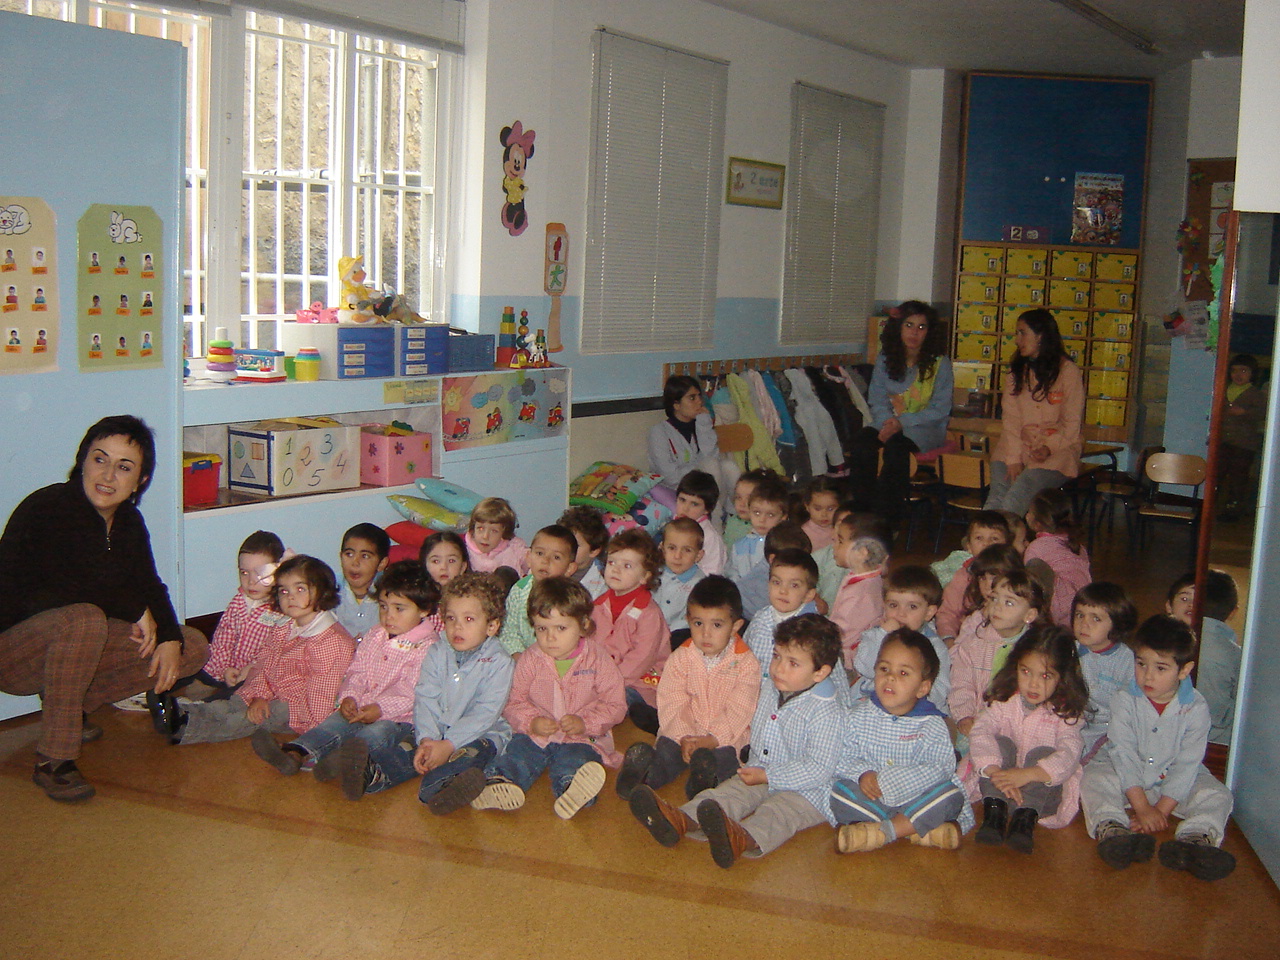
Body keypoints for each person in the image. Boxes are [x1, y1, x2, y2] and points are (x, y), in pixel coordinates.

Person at [0, 415, 209, 801]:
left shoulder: (129, 521)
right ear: (82, 460)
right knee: (84, 619)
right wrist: (133, 609)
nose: (108, 475)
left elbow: (150, 583)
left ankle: (70, 706)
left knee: (191, 646)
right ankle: (54, 760)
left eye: (124, 467)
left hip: (70, 643)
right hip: (13, 650)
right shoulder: (50, 507)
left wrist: (168, 637)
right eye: (100, 459)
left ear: (139, 481)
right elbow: (68, 587)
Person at [628, 614, 846, 868]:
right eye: (777, 656)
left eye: (793, 663)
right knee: (727, 793)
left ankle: (741, 838)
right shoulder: (773, 687)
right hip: (762, 768)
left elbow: (819, 769)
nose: (778, 668)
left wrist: (768, 776)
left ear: (820, 672)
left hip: (809, 791)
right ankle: (681, 820)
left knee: (778, 813)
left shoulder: (828, 712)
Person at [249, 561, 437, 797]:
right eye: (383, 606)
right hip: (361, 707)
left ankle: (339, 761)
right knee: (333, 724)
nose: (388, 616)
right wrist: (350, 697)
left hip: (402, 719)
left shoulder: (428, 647)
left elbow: (411, 692)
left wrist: (378, 710)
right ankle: (295, 752)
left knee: (374, 735)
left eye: (399, 609)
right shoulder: (375, 634)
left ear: (423, 609)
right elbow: (356, 671)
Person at [1081, 615, 1236, 880]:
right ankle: (1114, 830)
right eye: (1141, 664)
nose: (1147, 676)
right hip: (1126, 774)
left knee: (1218, 795)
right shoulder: (1124, 699)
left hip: (1174, 780)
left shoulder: (1196, 708)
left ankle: (1194, 841)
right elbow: (1123, 752)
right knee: (1093, 780)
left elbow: (1188, 763)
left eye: (1161, 668)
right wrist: (1141, 807)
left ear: (1184, 671)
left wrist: (1161, 810)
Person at [344, 571, 515, 810]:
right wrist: (428, 739)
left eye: (468, 620)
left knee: (471, 755)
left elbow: (486, 712)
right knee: (409, 749)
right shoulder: (437, 651)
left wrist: (449, 744)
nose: (457, 627)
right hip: (435, 729)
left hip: (480, 733)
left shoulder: (500, 662)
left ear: (492, 626)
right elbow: (425, 697)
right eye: (451, 618)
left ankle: (439, 788)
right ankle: (373, 774)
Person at [148, 555, 354, 747]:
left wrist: (311, 733)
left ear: (323, 592)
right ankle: (182, 712)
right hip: (272, 691)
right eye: (284, 591)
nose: (290, 597)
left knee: (247, 718)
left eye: (300, 589)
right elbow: (264, 664)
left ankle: (187, 729)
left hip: (299, 708)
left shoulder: (331, 641)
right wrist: (259, 695)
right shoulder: (285, 625)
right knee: (232, 703)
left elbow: (320, 694)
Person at [473, 577, 626, 819]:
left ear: (584, 625)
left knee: (576, 759)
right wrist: (531, 721)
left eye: (560, 628)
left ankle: (571, 788)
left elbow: (616, 704)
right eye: (542, 629)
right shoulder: (530, 659)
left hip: (581, 736)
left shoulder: (597, 659)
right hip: (536, 734)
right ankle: (499, 782)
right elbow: (513, 701)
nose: (550, 638)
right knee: (518, 753)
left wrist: (586, 723)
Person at [616, 576, 759, 801]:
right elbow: (672, 699)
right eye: (698, 623)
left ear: (736, 626)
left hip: (725, 737)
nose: (706, 633)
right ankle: (642, 775)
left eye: (717, 625)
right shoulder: (681, 657)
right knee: (666, 752)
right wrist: (683, 735)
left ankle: (702, 782)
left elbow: (740, 708)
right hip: (684, 732)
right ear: (688, 620)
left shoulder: (746, 663)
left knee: (725, 761)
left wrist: (713, 739)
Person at [831, 629, 973, 853]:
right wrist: (863, 773)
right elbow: (842, 754)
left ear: (923, 687)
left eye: (904, 673)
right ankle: (916, 829)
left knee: (949, 796)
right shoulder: (857, 715)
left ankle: (884, 831)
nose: (890, 678)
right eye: (884, 669)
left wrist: (899, 781)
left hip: (918, 796)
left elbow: (940, 767)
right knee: (840, 792)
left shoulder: (932, 723)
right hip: (873, 798)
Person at [971, 624, 1088, 853]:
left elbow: (1070, 753)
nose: (1033, 684)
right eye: (1026, 672)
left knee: (1042, 753)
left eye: (1045, 676)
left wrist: (1028, 774)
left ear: (1062, 676)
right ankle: (994, 814)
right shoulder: (1006, 701)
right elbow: (980, 730)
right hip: (1000, 784)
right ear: (1015, 667)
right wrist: (996, 772)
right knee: (1000, 744)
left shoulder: (1065, 713)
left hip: (1041, 795)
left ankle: (1023, 822)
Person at [849, 301, 954, 523]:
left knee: (896, 448)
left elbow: (940, 410)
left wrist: (901, 423)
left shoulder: (940, 364)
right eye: (909, 325)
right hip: (887, 424)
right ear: (899, 327)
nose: (914, 333)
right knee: (862, 443)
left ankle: (888, 520)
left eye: (921, 327)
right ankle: (861, 516)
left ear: (929, 332)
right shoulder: (885, 359)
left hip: (924, 429)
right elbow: (876, 399)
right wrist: (888, 421)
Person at [985, 308, 1084, 515]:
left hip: (1057, 451)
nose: (1017, 340)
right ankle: (980, 546)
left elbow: (1072, 423)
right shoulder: (1016, 371)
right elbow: (1010, 418)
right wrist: (1013, 458)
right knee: (997, 497)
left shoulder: (1068, 372)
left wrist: (1048, 447)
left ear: (1040, 336)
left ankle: (997, 544)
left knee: (1017, 496)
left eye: (1022, 333)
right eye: (1016, 333)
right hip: (1015, 446)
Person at [189, 530, 290, 701]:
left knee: (236, 696)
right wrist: (225, 669)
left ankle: (208, 706)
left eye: (260, 574)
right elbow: (223, 640)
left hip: (257, 674)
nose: (251, 581)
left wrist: (253, 668)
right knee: (193, 671)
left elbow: (278, 650)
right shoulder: (238, 602)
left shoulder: (283, 610)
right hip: (229, 671)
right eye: (244, 573)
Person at [949, 570, 1045, 739]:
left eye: (1009, 602)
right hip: (977, 722)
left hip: (1020, 729)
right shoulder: (973, 644)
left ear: (1029, 615)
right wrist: (964, 715)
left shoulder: (1037, 650)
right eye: (994, 598)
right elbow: (961, 683)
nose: (997, 606)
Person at [592, 528, 670, 733]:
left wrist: (607, 683)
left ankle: (590, 731)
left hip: (639, 683)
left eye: (627, 566)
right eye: (611, 563)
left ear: (644, 576)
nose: (616, 570)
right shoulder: (597, 605)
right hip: (599, 678)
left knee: (618, 700)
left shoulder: (649, 614)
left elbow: (640, 660)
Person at [851, 565, 950, 713]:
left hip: (914, 709)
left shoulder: (935, 647)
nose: (900, 614)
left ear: (929, 612)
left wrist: (910, 703)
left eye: (912, 607)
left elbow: (939, 690)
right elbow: (864, 667)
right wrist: (883, 635)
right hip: (872, 704)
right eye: (893, 605)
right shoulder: (876, 635)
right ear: (884, 606)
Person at [1166, 571, 1243, 747]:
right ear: (1233, 612)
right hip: (1220, 742)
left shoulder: (1156, 642)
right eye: (1184, 599)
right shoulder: (1235, 655)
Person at [1072, 582, 1138, 762]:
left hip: (1109, 728)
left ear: (1117, 624)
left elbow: (1133, 707)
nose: (1084, 624)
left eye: (1096, 619)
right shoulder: (1069, 651)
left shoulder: (1127, 660)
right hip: (1074, 721)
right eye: (1079, 615)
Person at [497, 523, 579, 656]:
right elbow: (509, 631)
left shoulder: (572, 598)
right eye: (540, 553)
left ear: (570, 568)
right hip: (523, 658)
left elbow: (575, 638)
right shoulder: (519, 589)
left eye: (556, 557)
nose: (545, 561)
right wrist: (518, 655)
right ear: (528, 557)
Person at [934, 512, 1011, 640]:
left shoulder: (1012, 573)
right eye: (979, 538)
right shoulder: (963, 576)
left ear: (1007, 544)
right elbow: (948, 613)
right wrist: (948, 638)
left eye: (994, 539)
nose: (986, 544)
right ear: (968, 546)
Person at [1024, 489, 1091, 627]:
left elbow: (1030, 588)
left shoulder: (1036, 548)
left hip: (1055, 615)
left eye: (1029, 511)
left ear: (1037, 522)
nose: (1026, 515)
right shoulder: (1076, 544)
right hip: (1083, 608)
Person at [829, 522, 889, 670]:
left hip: (846, 662)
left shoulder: (861, 592)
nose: (834, 546)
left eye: (840, 541)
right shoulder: (866, 578)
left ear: (862, 553)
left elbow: (841, 632)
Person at [648, 374, 720, 490]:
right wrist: (699, 466)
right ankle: (714, 507)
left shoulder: (701, 424)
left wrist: (704, 423)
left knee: (728, 466)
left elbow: (713, 456)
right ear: (676, 405)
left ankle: (733, 507)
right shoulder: (659, 432)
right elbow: (670, 477)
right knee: (711, 466)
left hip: (699, 484)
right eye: (692, 398)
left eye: (699, 396)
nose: (699, 402)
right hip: (673, 490)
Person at [1217, 354, 1267, 520]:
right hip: (1223, 440)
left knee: (1239, 477)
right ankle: (1213, 506)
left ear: (1252, 374)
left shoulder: (1255, 394)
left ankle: (1234, 509)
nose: (1238, 375)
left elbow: (1262, 413)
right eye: (1234, 371)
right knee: (1218, 473)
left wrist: (1245, 413)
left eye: (1244, 371)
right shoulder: (1224, 390)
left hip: (1244, 444)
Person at [652, 516, 707, 643]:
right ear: (662, 548)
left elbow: (689, 620)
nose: (677, 556)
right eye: (672, 548)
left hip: (676, 639)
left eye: (687, 550)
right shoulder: (652, 573)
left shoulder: (700, 585)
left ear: (698, 555)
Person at [727, 473, 788, 583]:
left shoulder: (785, 546)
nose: (762, 520)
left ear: (783, 517)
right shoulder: (739, 546)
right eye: (757, 513)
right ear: (749, 511)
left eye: (770, 515)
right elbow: (733, 574)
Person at [336, 523, 392, 641]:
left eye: (365, 556)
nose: (355, 563)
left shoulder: (391, 594)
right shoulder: (329, 591)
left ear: (381, 563)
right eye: (349, 554)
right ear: (340, 556)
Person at [674, 469, 726, 575]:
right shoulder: (672, 525)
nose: (685, 508)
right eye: (682, 500)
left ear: (707, 509)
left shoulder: (709, 537)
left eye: (694, 504)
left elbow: (713, 574)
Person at [464, 496, 529, 575]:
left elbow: (534, 567)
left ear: (504, 532)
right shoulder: (464, 550)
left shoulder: (516, 548)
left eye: (494, 531)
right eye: (480, 528)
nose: (485, 536)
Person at [558, 505, 609, 598]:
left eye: (575, 545)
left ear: (594, 551)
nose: (566, 548)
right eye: (563, 542)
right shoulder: (551, 567)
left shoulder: (602, 584)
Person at [797, 476, 842, 553]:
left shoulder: (844, 528)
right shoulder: (803, 534)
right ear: (807, 507)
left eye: (830, 509)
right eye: (817, 509)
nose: (824, 514)